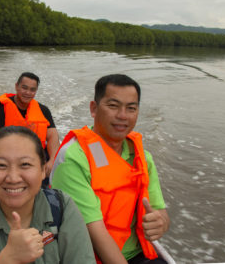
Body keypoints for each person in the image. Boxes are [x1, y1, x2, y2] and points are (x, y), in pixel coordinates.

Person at [51, 74, 170, 264]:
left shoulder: (142, 158)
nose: (123, 115)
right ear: (93, 108)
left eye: (131, 108)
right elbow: (95, 233)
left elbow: (159, 210)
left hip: (139, 255)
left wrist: (161, 223)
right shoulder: (74, 157)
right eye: (113, 106)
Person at [0, 126, 96, 264]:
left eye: (25, 164)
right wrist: (9, 259)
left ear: (43, 170)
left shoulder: (61, 207)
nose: (13, 178)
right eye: (1, 165)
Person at [0, 72, 59, 184]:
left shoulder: (43, 110)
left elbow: (52, 136)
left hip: (36, 154)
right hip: (8, 155)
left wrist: (52, 161)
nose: (28, 93)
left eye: (32, 90)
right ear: (16, 86)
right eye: (24, 88)